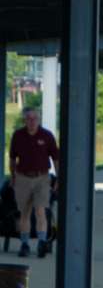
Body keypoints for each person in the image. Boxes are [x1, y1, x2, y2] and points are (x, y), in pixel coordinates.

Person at [8, 108, 58, 259]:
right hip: (23, 177)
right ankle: (25, 244)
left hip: (42, 177)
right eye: (29, 118)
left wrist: (59, 178)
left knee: (40, 210)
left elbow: (56, 158)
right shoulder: (18, 135)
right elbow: (12, 159)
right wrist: (13, 176)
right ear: (24, 120)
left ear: (39, 119)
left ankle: (42, 242)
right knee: (25, 212)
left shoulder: (47, 136)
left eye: (35, 118)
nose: (32, 121)